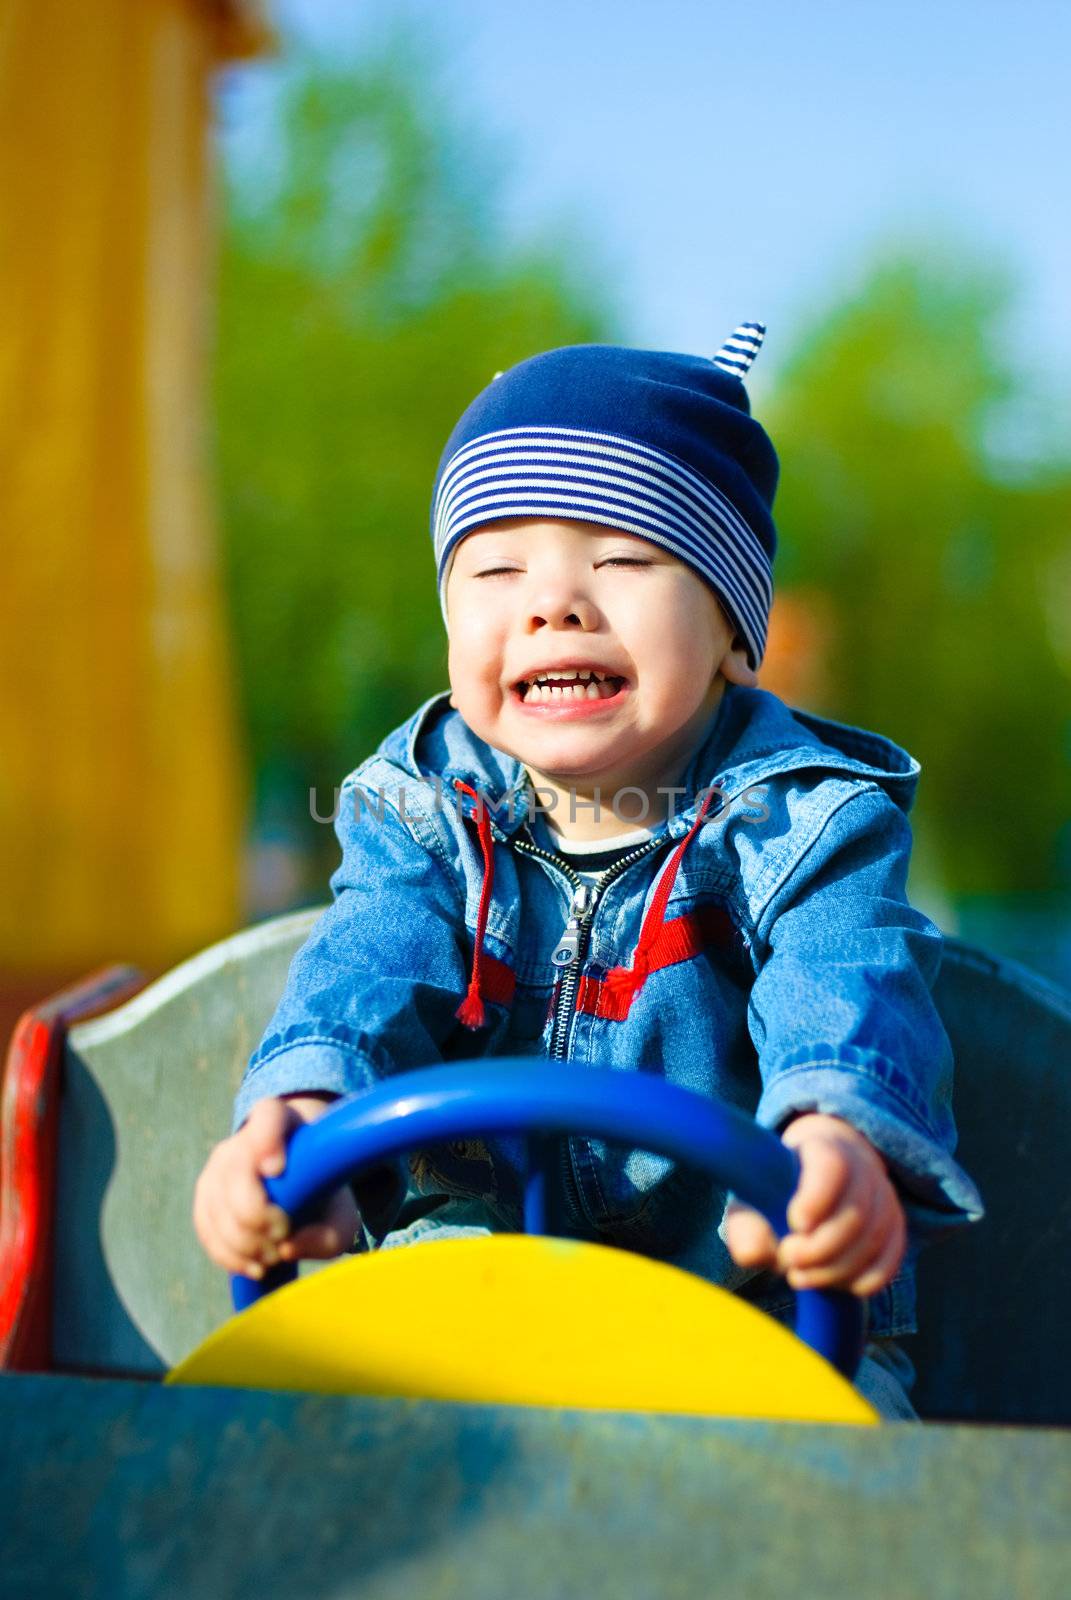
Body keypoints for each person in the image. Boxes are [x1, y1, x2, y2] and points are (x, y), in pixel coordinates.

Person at [193, 325, 984, 1421]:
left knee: (843, 1483)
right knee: (291, 1452)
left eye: (622, 557)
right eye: (497, 565)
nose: (553, 602)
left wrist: (836, 1136)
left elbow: (846, 977)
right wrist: (298, 1109)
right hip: (470, 1293)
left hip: (750, 1311)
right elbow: (368, 965)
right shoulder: (423, 807)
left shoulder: (804, 818)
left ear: (730, 627)